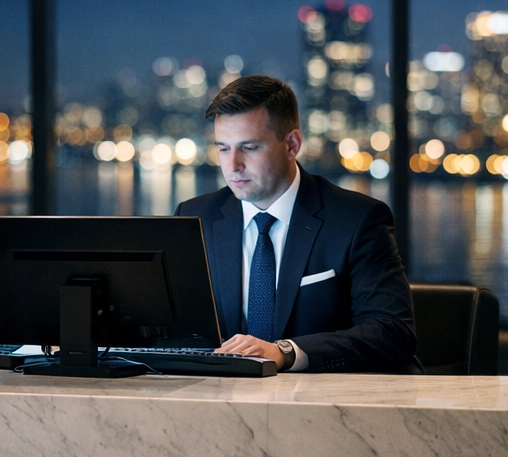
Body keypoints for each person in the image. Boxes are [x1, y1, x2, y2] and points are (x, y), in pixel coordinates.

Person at [175, 75, 418, 373]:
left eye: (249, 148)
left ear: (291, 145)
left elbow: (392, 333)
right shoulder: (196, 216)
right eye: (223, 148)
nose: (233, 165)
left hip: (326, 402)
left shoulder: (357, 220)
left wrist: (286, 352)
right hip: (224, 400)